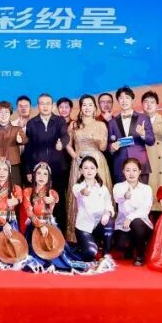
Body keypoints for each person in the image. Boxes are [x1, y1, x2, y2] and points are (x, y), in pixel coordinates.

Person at [66, 94, 112, 242]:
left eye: (90, 105)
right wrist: (75, 156)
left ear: (95, 108)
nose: (87, 108)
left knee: (98, 195)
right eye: (84, 105)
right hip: (79, 164)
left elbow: (103, 147)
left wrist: (98, 140)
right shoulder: (74, 125)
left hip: (97, 162)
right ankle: (77, 236)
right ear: (80, 108)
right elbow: (68, 144)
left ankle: (101, 235)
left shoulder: (101, 125)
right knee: (80, 197)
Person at [23, 94, 69, 224]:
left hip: (57, 168)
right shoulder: (32, 123)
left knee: (58, 200)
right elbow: (28, 148)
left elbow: (65, 135)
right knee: (38, 201)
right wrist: (28, 170)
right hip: (38, 171)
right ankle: (38, 228)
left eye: (48, 103)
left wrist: (62, 144)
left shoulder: (59, 121)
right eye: (42, 103)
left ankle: (59, 230)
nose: (45, 106)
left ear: (52, 105)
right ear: (38, 106)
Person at [107, 86, 155, 183]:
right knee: (121, 192)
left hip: (140, 164)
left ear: (132, 100)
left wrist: (143, 134)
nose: (124, 101)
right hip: (120, 166)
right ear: (118, 101)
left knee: (142, 192)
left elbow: (151, 141)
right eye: (121, 98)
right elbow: (109, 144)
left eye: (127, 98)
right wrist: (112, 147)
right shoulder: (112, 122)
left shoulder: (143, 118)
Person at [70, 156, 113, 263]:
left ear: (96, 170)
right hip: (84, 227)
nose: (89, 171)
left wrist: (107, 213)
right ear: (81, 170)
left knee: (109, 221)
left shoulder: (103, 188)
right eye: (86, 168)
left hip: (99, 226)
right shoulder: (77, 186)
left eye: (92, 168)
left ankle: (106, 255)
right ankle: (79, 247)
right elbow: (79, 191)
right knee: (90, 253)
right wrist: (84, 191)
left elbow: (109, 205)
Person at [112, 158, 154, 266]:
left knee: (136, 222)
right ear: (123, 171)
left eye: (134, 170)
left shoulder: (146, 189)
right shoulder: (118, 187)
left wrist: (130, 217)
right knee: (121, 245)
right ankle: (132, 246)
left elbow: (146, 209)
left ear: (139, 172)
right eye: (128, 170)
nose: (131, 173)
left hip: (142, 225)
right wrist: (124, 196)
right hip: (124, 226)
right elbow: (117, 199)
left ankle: (140, 255)